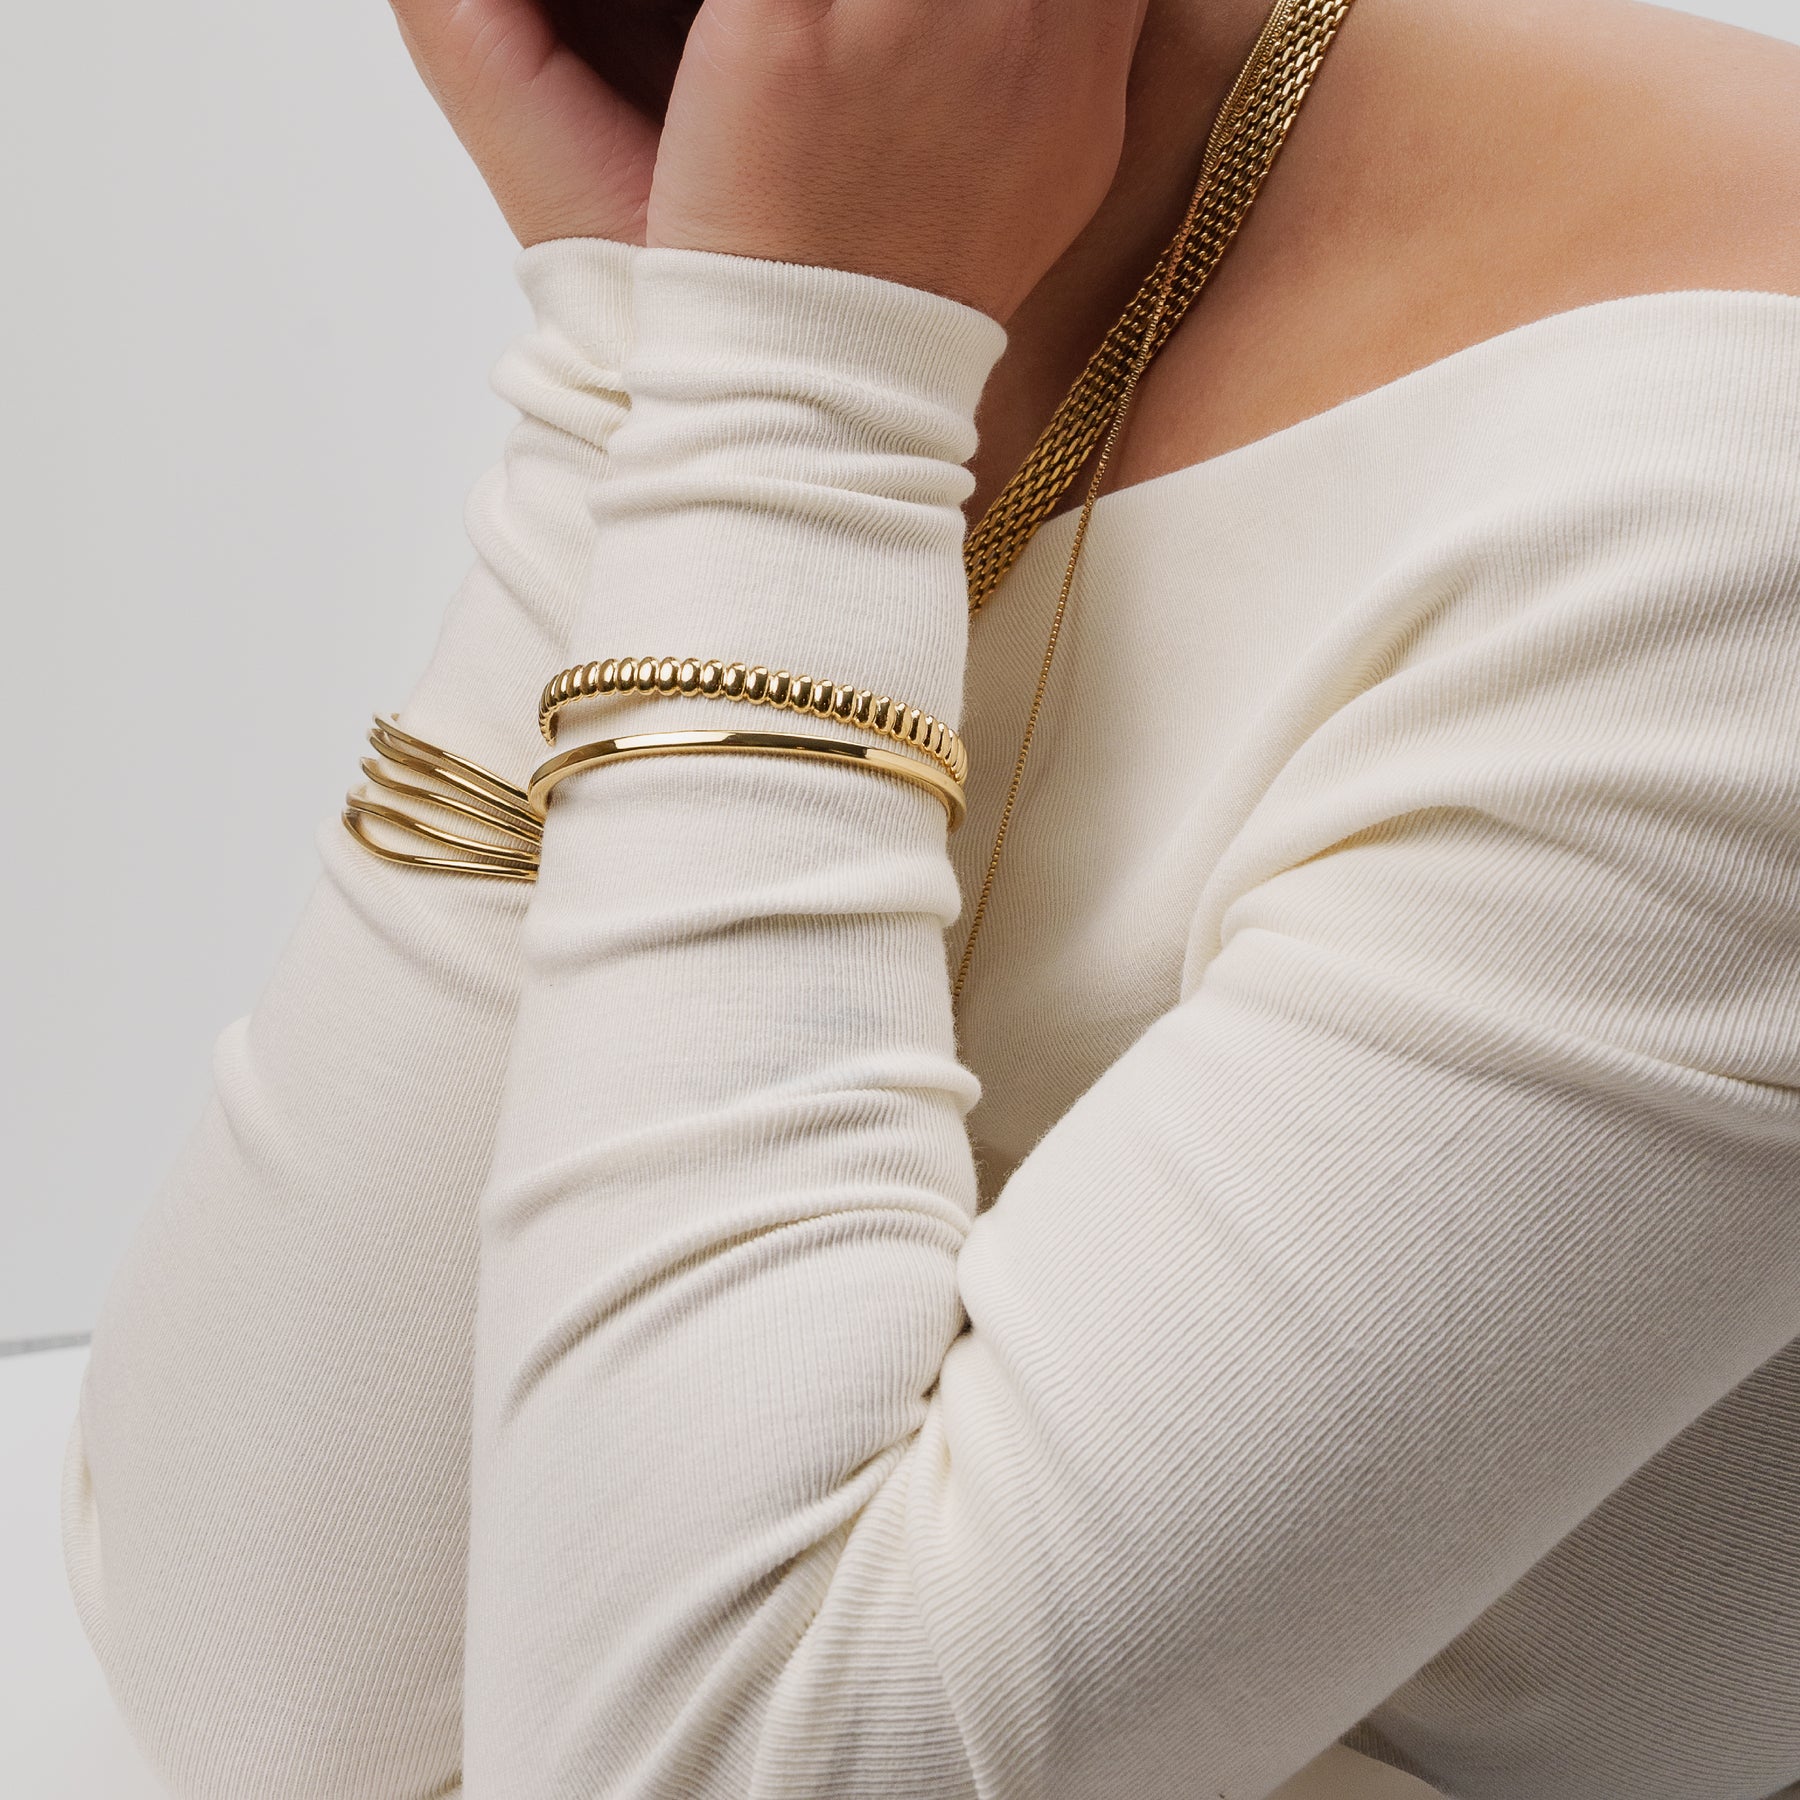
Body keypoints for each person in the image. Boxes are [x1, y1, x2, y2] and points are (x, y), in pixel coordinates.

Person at [59, 0, 1800, 1795]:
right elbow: (273, 1683)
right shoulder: (888, 230)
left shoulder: (1730, 501)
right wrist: (662, 354)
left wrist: (788, 391)